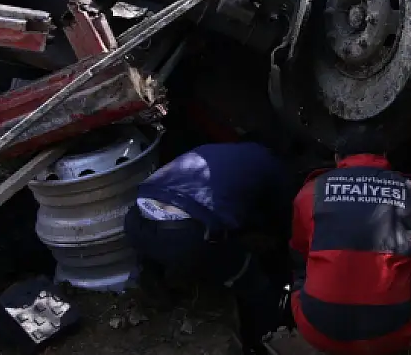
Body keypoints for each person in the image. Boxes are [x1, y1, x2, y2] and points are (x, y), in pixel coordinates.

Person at [124, 140, 295, 354]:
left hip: (136, 216)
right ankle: (264, 339)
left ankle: (155, 287)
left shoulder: (216, 151)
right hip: (183, 234)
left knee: (158, 248)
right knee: (255, 285)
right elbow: (284, 219)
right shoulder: (272, 164)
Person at [289, 144, 411, 355]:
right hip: (392, 336)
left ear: (338, 157)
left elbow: (299, 250)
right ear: (385, 155)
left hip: (318, 332)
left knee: (301, 270)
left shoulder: (310, 191)